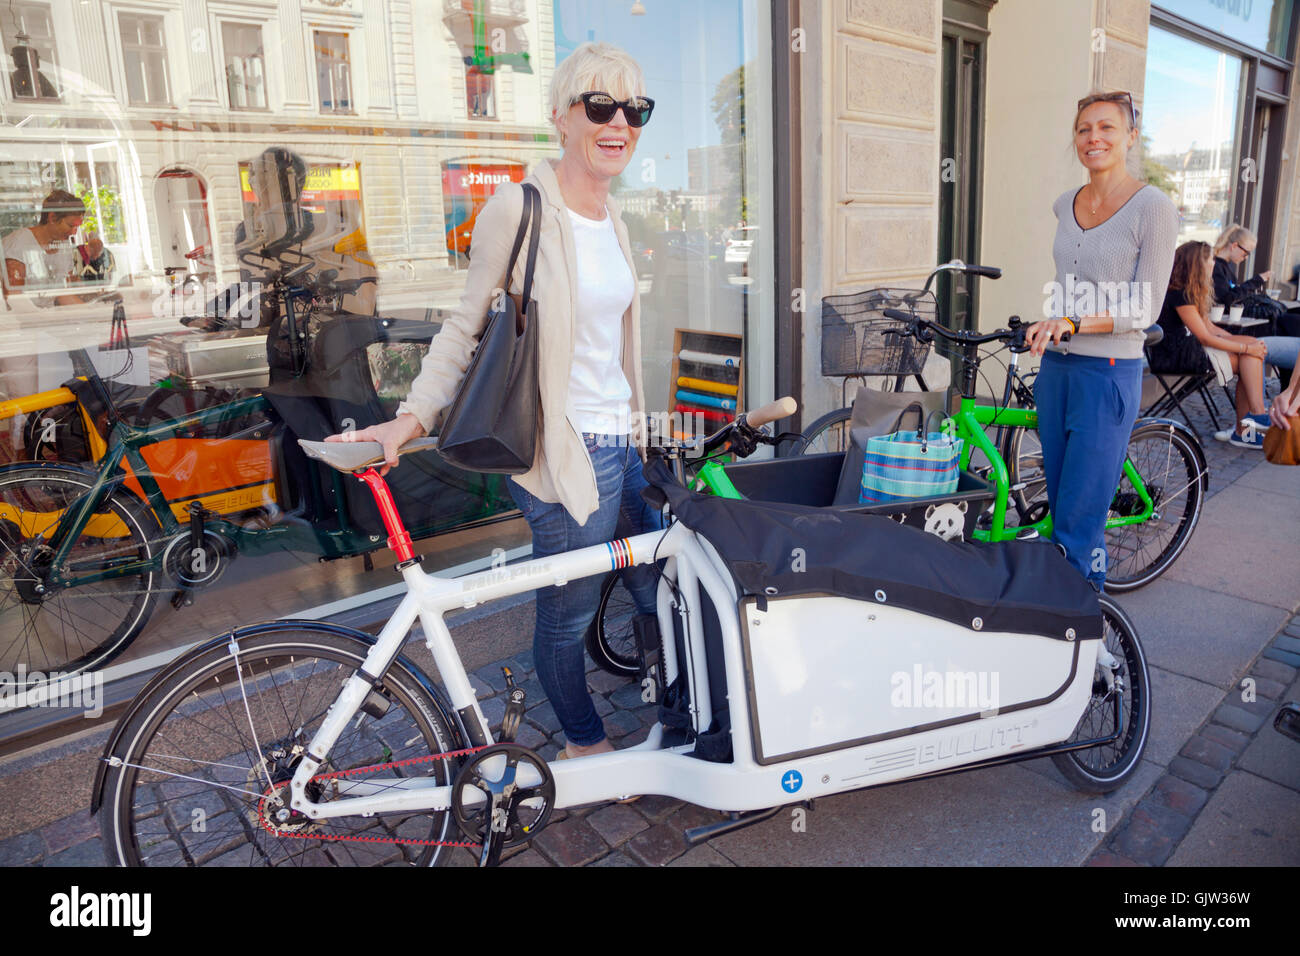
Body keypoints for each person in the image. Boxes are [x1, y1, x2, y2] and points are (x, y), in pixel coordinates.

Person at [327, 42, 659, 758]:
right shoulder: (520, 208)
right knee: (568, 615)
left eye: (634, 110)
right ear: (561, 119)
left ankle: (674, 703)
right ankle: (582, 744)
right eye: (599, 106)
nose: (618, 123)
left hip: (621, 443)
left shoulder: (617, 219)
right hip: (562, 452)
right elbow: (464, 324)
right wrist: (411, 419)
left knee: (655, 579)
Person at [1025, 90, 1179, 588]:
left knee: (1079, 519)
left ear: (1130, 136)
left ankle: (1087, 641)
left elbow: (1146, 306)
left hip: (1108, 373)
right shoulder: (1063, 204)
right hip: (1057, 370)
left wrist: (1072, 322)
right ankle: (1057, 622)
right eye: (1084, 128)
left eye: (1107, 127)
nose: (1094, 138)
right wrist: (1052, 324)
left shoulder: (1153, 208)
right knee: (1060, 506)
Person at [1148, 240, 1298, 448]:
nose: (1213, 263)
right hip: (1177, 355)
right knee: (1249, 356)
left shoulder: (1190, 291)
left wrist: (1248, 343)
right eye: (1210, 259)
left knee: (1254, 347)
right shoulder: (1179, 294)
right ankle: (1253, 419)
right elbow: (1205, 338)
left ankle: (1245, 429)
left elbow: (1211, 329)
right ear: (1197, 264)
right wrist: (1246, 348)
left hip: (1192, 348)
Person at [2, 188, 83, 299]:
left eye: (77, 227)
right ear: (52, 218)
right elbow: (15, 300)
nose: (74, 232)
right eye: (71, 225)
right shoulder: (18, 243)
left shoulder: (64, 245)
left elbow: (64, 296)